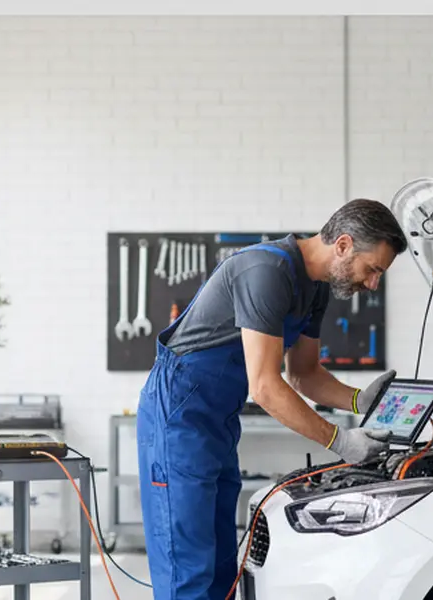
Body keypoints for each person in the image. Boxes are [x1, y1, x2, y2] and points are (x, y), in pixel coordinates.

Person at [135, 199, 408, 600]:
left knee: (222, 565)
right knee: (188, 566)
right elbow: (264, 386)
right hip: (177, 415)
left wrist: (358, 401)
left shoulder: (316, 290)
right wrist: (341, 441)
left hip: (217, 420)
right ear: (344, 245)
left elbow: (305, 374)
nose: (372, 284)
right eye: (373, 270)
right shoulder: (268, 271)